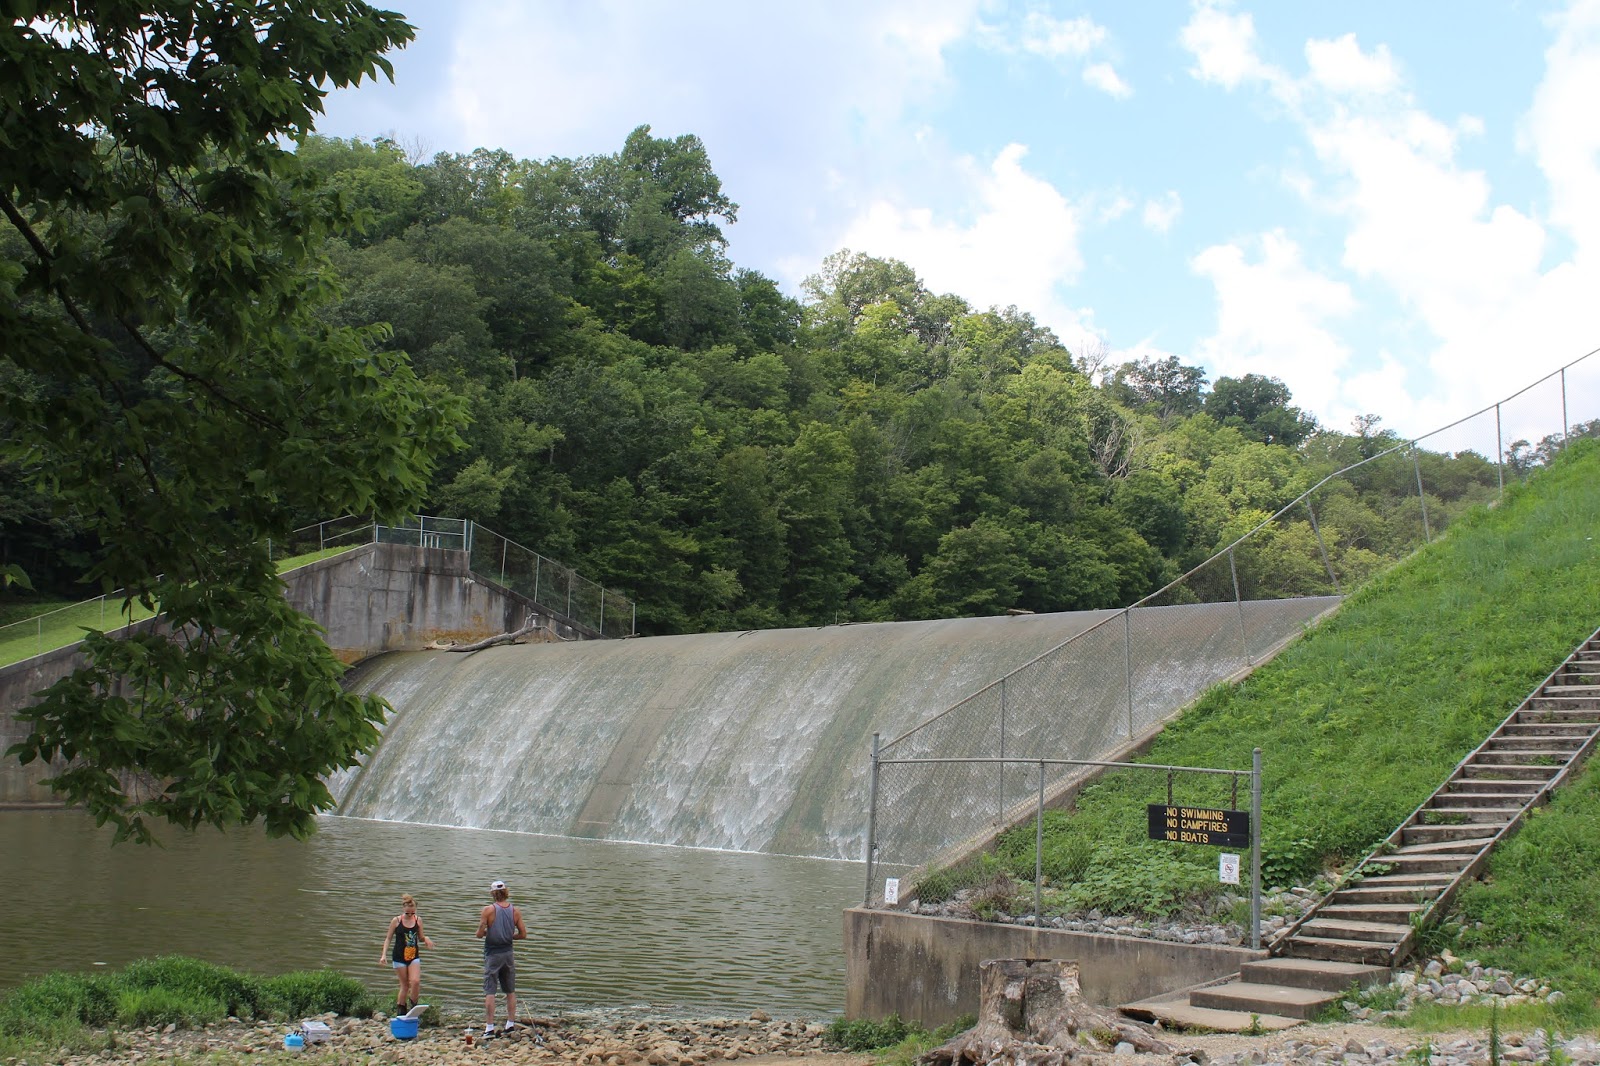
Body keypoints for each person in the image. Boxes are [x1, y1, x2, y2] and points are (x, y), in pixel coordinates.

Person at [475, 879, 527, 1036]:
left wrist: (488, 933)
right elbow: (523, 934)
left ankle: (489, 1027)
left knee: (490, 990)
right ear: (506, 892)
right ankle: (510, 1024)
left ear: (492, 894)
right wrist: (510, 936)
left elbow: (479, 934)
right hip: (508, 953)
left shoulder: (488, 910)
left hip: (492, 953)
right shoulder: (515, 911)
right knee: (510, 990)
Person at [379, 893, 435, 1015]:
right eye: (407, 913)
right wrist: (384, 955)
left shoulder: (418, 920)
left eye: (412, 913)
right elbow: (388, 938)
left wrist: (426, 939)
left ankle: (413, 1007)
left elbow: (420, 937)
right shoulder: (396, 921)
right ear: (403, 908)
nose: (410, 915)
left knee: (415, 981)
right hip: (399, 956)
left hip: (413, 955)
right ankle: (401, 1012)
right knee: (404, 985)